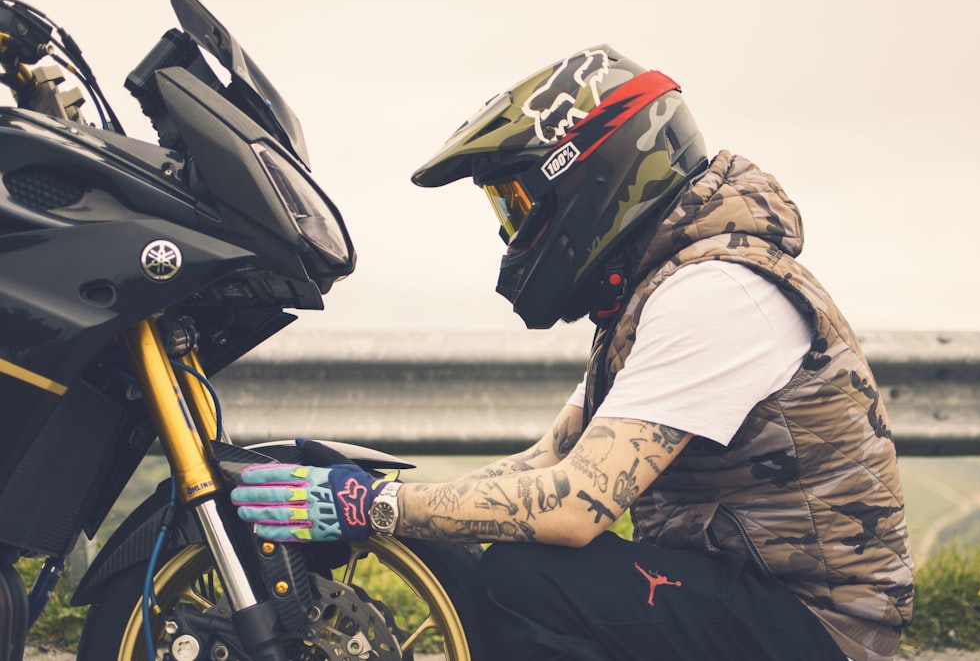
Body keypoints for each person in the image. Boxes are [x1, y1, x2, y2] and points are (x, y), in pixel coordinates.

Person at [232, 45, 914, 661]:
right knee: (505, 561)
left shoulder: (716, 291)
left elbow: (572, 504)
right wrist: (383, 506)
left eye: (521, 203)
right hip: (753, 597)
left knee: (524, 581)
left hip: (820, 631)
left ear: (592, 174)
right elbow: (543, 463)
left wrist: (380, 505)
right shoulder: (659, 288)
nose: (514, 232)